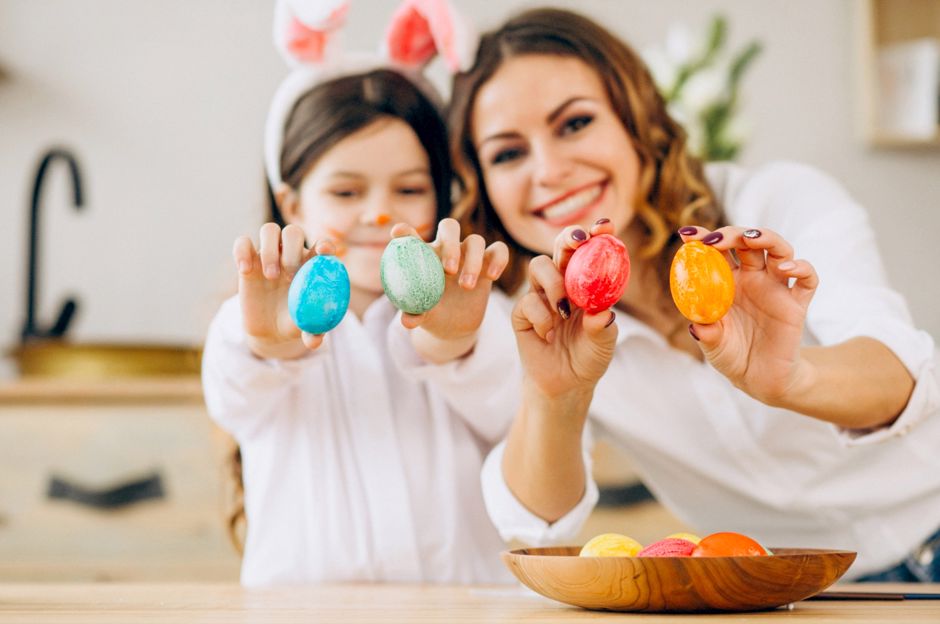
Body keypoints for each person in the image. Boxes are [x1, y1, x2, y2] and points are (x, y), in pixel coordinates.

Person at [446, 7, 940, 582]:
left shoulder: (776, 203)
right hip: (788, 595)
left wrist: (791, 377)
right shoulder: (535, 316)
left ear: (637, 118)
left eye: (574, 123)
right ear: (484, 184)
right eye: (508, 153)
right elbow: (535, 521)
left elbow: (899, 370)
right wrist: (557, 396)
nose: (550, 169)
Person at [202, 1, 517, 584]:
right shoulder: (252, 318)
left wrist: (456, 344)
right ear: (294, 204)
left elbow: (512, 406)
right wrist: (270, 345)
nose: (379, 213)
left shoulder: (478, 308)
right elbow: (231, 391)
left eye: (409, 188)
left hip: (464, 612)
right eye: (346, 193)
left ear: (441, 200)